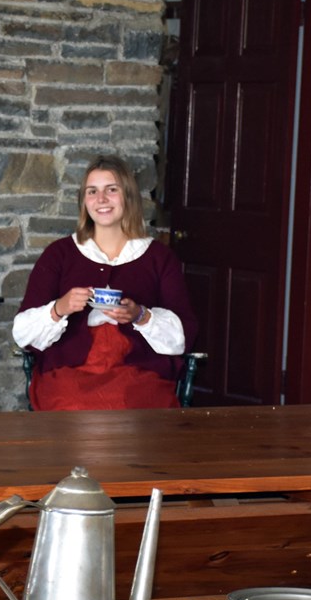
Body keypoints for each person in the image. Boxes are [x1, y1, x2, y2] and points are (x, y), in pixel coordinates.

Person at [12, 155, 197, 411]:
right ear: (84, 201)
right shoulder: (60, 254)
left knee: (130, 403)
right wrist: (60, 308)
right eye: (92, 191)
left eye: (111, 190)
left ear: (128, 196)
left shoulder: (159, 257)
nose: (101, 199)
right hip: (69, 371)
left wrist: (140, 315)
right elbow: (22, 333)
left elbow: (184, 335)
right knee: (73, 402)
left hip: (138, 371)